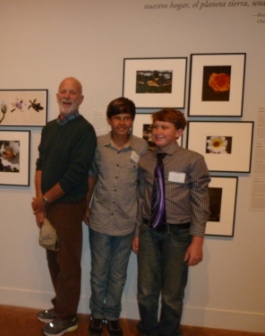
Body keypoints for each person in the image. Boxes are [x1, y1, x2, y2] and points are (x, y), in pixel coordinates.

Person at [132, 109, 210, 336]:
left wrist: (197, 241)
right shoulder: (145, 159)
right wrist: (137, 231)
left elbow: (201, 203)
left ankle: (168, 332)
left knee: (172, 293)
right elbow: (141, 198)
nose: (157, 131)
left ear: (179, 132)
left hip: (178, 235)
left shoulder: (193, 160)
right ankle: (147, 330)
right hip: (148, 231)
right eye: (155, 126)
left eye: (164, 127)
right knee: (146, 290)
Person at [32, 77, 97, 336]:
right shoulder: (49, 128)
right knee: (53, 260)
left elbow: (75, 175)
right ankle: (60, 306)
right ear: (57, 95)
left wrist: (45, 200)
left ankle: (68, 316)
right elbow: (40, 165)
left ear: (81, 99)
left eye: (74, 93)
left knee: (68, 263)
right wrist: (40, 204)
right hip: (48, 206)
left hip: (69, 207)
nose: (68, 96)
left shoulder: (85, 131)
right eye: (64, 92)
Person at [84, 98, 148, 336]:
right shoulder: (98, 144)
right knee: (99, 272)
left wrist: (140, 224)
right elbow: (91, 176)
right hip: (100, 219)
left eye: (127, 117)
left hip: (126, 221)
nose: (122, 123)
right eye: (117, 117)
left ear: (132, 120)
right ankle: (96, 315)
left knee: (119, 275)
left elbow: (143, 188)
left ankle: (112, 316)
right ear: (109, 120)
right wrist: (86, 205)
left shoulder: (141, 147)